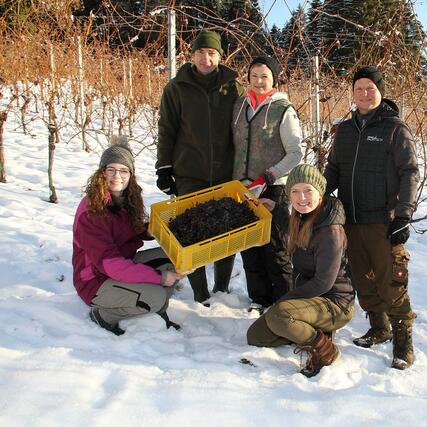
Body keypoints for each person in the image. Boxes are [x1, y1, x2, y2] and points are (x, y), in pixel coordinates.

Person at [324, 66, 420, 370]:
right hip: (351, 218)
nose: (365, 94)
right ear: (353, 93)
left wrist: (403, 213)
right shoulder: (345, 129)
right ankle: (379, 328)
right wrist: (317, 197)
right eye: (359, 89)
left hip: (383, 219)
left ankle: (404, 343)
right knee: (362, 278)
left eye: (371, 88)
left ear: (381, 91)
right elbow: (333, 168)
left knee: (391, 280)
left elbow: (409, 172)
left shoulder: (394, 128)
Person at [155, 30, 244, 304]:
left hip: (225, 172)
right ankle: (200, 293)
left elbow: (242, 128)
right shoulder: (176, 88)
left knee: (226, 229)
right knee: (190, 231)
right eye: (201, 52)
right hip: (189, 171)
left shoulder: (233, 86)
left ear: (220, 56)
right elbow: (166, 128)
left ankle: (221, 288)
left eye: (212, 53)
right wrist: (164, 167)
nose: (207, 58)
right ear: (192, 54)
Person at [246, 164, 355, 377]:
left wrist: (286, 301)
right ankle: (308, 327)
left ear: (319, 191)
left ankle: (325, 350)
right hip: (310, 299)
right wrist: (276, 210)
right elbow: (300, 236)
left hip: (335, 303)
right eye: (294, 191)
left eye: (308, 191)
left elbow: (323, 283)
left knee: (280, 314)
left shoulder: (330, 231)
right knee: (256, 336)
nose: (301, 197)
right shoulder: (302, 217)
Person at [73, 137, 183, 335]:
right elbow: (111, 264)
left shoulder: (124, 199)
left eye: (123, 170)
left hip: (123, 265)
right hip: (96, 282)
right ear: (101, 173)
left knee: (174, 257)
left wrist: (160, 228)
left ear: (130, 174)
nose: (117, 176)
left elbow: (133, 229)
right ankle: (105, 315)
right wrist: (159, 277)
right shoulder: (92, 212)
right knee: (157, 295)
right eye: (111, 170)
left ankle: (154, 310)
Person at [232, 56, 302, 313]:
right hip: (243, 188)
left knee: (275, 249)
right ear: (248, 78)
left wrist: (271, 175)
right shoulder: (240, 106)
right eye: (254, 76)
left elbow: (295, 152)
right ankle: (258, 298)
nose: (259, 81)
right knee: (249, 247)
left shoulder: (284, 110)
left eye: (265, 76)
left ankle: (283, 302)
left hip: (273, 186)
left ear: (273, 79)